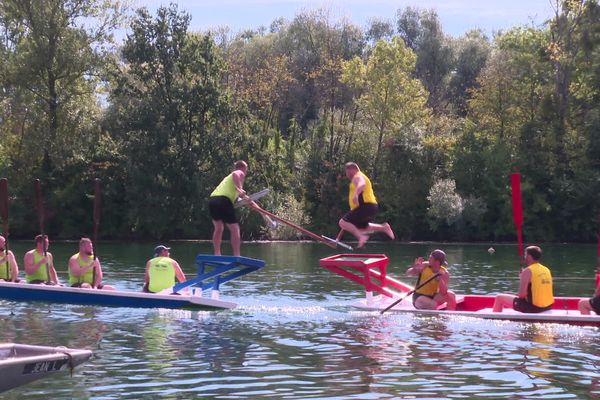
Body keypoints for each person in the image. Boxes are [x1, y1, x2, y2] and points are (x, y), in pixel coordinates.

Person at [338, 162, 394, 248]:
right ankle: (384, 227)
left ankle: (361, 237)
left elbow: (362, 184)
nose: (346, 174)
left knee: (342, 222)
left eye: (347, 172)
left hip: (365, 205)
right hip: (371, 207)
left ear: (352, 169)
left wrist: (356, 194)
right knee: (360, 228)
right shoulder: (361, 176)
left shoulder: (357, 176)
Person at [493, 245, 554, 313]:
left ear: (529, 256)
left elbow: (521, 295)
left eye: (525, 255)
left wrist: (522, 278)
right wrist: (523, 278)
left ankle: (495, 321)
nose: (525, 257)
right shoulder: (546, 269)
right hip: (548, 307)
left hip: (534, 308)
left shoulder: (528, 271)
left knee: (499, 298)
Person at [208, 160, 251, 256]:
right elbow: (236, 174)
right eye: (246, 170)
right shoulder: (239, 173)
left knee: (219, 227)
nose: (246, 172)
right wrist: (240, 188)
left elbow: (240, 199)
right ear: (244, 168)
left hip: (213, 200)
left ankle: (217, 254)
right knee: (235, 229)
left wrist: (248, 201)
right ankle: (237, 255)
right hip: (224, 200)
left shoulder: (228, 181)